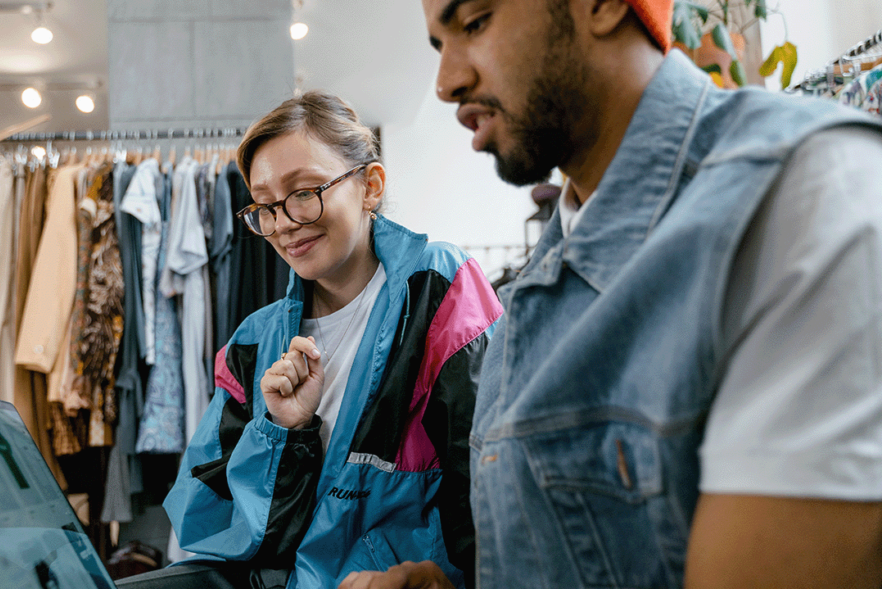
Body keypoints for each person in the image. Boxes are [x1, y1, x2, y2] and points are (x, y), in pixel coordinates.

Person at [339, 0, 882, 588]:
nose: (447, 83)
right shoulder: (530, 295)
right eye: (440, 46)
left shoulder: (798, 200)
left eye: (474, 22)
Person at [139, 91, 501, 589]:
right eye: (265, 207)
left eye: (304, 192)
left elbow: (488, 485)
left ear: (370, 185)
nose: (283, 223)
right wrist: (287, 432)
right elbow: (205, 520)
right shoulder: (253, 342)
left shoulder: (438, 288)